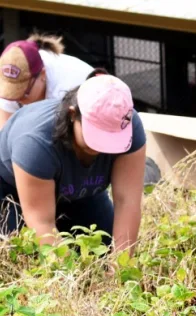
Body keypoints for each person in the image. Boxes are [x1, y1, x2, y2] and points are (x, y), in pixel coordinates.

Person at [0, 74, 146, 251]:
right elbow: (41, 222)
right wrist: (68, 276)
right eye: (96, 135)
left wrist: (120, 267)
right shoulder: (35, 141)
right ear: (72, 114)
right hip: (12, 192)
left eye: (111, 138)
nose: (102, 147)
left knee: (103, 248)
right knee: (20, 252)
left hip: (78, 191)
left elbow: (127, 201)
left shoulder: (128, 126)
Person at [0, 35, 94, 129]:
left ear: (42, 74)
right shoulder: (10, 76)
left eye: (24, 92)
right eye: (12, 92)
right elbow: (3, 129)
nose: (17, 98)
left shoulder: (66, 88)